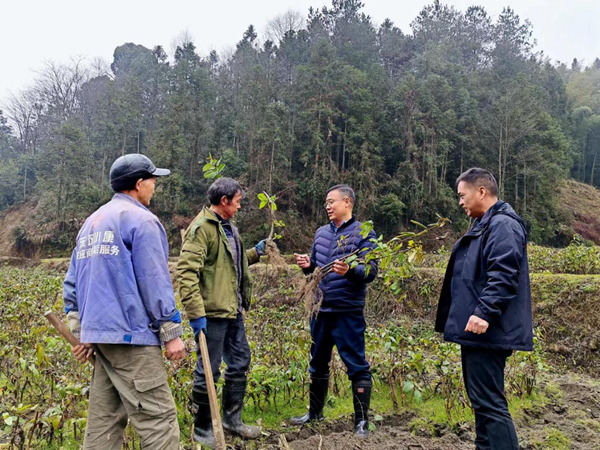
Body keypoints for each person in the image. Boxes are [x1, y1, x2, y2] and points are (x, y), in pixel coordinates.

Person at [63, 153, 185, 450]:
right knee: (159, 421)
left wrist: (80, 331)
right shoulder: (143, 221)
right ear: (139, 184)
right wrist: (170, 331)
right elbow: (154, 281)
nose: (155, 186)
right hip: (133, 340)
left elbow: (73, 283)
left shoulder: (91, 223)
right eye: (153, 180)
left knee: (103, 424)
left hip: (102, 342)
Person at [435, 168, 533, 450]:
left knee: (490, 404)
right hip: (477, 332)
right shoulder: (484, 225)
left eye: (462, 195)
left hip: (488, 330)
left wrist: (483, 312)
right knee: (482, 403)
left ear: (481, 191)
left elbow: (503, 274)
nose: (460, 202)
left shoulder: (503, 225)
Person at [176, 177, 266, 448]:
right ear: (224, 201)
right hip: (212, 313)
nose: (239, 206)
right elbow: (186, 273)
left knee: (240, 362)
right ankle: (203, 429)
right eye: (237, 201)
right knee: (208, 370)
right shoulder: (201, 229)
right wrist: (195, 314)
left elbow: (231, 263)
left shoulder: (229, 228)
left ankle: (231, 420)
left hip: (232, 310)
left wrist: (255, 253)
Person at [291, 184, 378, 438]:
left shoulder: (364, 233)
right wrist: (308, 265)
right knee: (317, 363)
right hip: (320, 310)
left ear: (347, 202)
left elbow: (371, 271)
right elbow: (317, 268)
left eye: (332, 202)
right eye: (326, 202)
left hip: (346, 311)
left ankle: (361, 422)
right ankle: (315, 414)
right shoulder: (321, 233)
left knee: (357, 365)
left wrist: (350, 270)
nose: (327, 206)